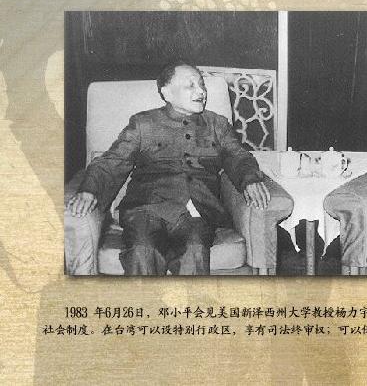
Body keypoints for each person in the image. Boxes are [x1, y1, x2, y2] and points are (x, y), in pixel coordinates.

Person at [66, 61, 270, 275]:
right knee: (142, 250)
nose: (201, 91)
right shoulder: (143, 124)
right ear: (167, 93)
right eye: (190, 85)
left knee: (195, 249)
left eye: (201, 84)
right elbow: (112, 161)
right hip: (146, 207)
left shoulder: (217, 125)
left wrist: (250, 180)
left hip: (196, 210)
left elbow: (238, 156)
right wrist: (89, 190)